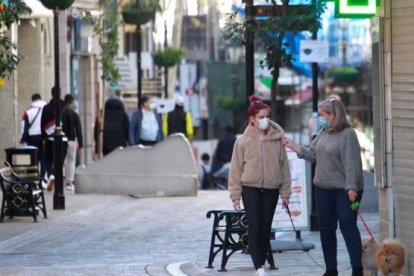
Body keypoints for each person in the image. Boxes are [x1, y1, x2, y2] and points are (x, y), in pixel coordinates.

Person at [283, 98, 364, 276]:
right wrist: (294, 146)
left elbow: (352, 163)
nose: (320, 118)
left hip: (344, 189)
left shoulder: (348, 134)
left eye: (323, 115)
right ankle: (331, 269)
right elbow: (313, 154)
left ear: (334, 115)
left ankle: (357, 268)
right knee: (327, 229)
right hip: (323, 188)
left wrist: (352, 187)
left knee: (347, 226)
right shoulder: (323, 132)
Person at [228, 95, 291, 276]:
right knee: (254, 226)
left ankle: (261, 261)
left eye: (267, 116)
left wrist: (285, 193)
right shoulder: (242, 141)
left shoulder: (277, 140)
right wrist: (235, 196)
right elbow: (235, 169)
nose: (265, 120)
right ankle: (258, 266)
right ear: (252, 120)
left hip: (271, 188)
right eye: (261, 117)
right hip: (250, 188)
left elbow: (284, 167)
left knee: (265, 227)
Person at [41, 87, 69, 191]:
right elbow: (69, 123)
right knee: (60, 160)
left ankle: (51, 176)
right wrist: (69, 137)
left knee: (48, 159)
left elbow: (42, 124)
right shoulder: (65, 107)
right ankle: (55, 177)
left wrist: (43, 136)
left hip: (49, 139)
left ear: (51, 94)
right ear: (61, 93)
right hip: (63, 139)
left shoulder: (46, 108)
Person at [19, 93, 47, 182]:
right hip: (43, 136)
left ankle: (34, 178)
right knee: (43, 158)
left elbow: (24, 126)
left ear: (32, 100)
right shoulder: (46, 108)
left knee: (33, 158)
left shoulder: (28, 111)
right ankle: (43, 179)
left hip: (32, 137)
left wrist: (23, 139)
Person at [62, 94, 83, 191]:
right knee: (71, 161)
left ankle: (61, 180)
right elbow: (78, 130)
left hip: (60, 140)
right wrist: (81, 145)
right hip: (71, 141)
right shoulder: (75, 115)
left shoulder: (60, 114)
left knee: (62, 161)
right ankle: (69, 182)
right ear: (72, 102)